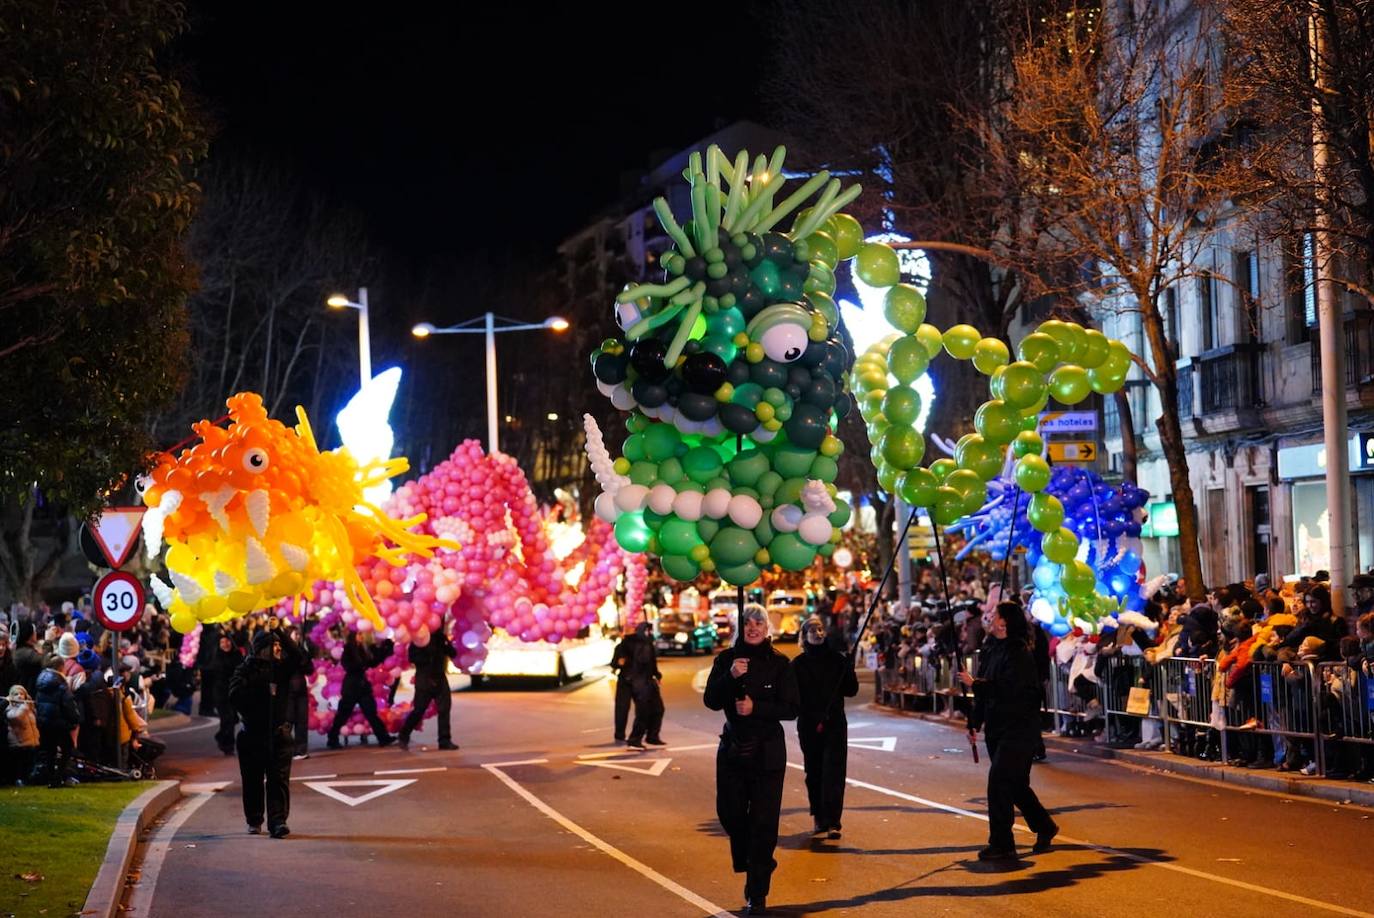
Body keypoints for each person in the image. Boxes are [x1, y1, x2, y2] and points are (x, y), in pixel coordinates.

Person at [704, 606, 800, 915]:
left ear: (767, 627)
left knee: (763, 823)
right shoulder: (725, 660)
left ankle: (757, 892)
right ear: (738, 626)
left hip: (767, 753)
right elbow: (711, 700)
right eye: (747, 622)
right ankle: (757, 860)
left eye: (759, 622)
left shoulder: (780, 664)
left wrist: (756, 707)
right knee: (730, 814)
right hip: (733, 749)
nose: (753, 627)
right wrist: (731, 677)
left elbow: (790, 708)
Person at [958, 601, 1058, 861]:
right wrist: (974, 722)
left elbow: (1009, 688)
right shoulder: (991, 649)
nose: (990, 619)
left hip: (1019, 729)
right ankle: (1045, 826)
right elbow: (985, 695)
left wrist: (976, 683)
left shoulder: (1018, 653)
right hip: (997, 728)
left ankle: (1002, 843)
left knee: (999, 782)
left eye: (995, 615)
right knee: (1015, 786)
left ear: (1004, 623)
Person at [228, 629, 309, 837]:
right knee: (253, 780)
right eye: (274, 645)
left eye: (279, 645)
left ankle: (278, 821)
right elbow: (235, 696)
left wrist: (280, 633)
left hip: (279, 735)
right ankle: (254, 819)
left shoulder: (282, 669)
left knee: (278, 780)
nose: (278, 648)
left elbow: (299, 657)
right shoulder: (244, 670)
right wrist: (260, 680)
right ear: (263, 649)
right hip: (252, 735)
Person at [790, 616, 857, 839]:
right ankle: (819, 816)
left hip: (835, 723)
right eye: (812, 630)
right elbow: (793, 698)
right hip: (810, 725)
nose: (818, 633)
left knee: (834, 771)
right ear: (804, 635)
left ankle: (833, 819)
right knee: (815, 770)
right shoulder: (798, 665)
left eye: (820, 629)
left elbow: (850, 690)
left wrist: (849, 668)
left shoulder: (837, 660)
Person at [327, 631, 396, 749]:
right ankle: (332, 738)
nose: (361, 637)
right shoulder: (349, 649)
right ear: (353, 637)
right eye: (359, 635)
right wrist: (361, 665)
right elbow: (348, 666)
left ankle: (383, 737)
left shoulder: (363, 649)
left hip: (363, 686)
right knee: (343, 714)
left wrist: (385, 649)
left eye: (361, 634)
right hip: (351, 687)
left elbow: (372, 662)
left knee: (371, 712)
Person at [398, 621, 458, 751]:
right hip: (425, 678)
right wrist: (427, 657)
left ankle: (444, 740)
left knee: (444, 708)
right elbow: (412, 657)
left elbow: (452, 653)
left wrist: (446, 642)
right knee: (419, 710)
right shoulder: (420, 637)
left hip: (439, 677)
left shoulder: (440, 638)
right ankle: (403, 735)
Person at [34, 654, 82, 788]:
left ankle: (51, 778)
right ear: (62, 667)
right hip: (59, 722)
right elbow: (68, 703)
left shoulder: (41, 680)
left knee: (50, 750)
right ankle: (58, 776)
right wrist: (75, 719)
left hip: (44, 721)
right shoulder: (60, 683)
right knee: (67, 748)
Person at [622, 621, 665, 750]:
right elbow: (643, 661)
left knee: (658, 709)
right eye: (649, 631)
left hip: (648, 681)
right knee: (643, 711)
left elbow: (651, 664)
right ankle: (634, 739)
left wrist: (656, 674)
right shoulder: (639, 644)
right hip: (640, 683)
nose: (651, 633)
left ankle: (652, 736)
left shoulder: (647, 644)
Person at [285, 624, 316, 758]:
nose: (298, 636)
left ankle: (301, 749)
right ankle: (286, 749)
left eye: (298, 634)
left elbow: (309, 669)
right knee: (288, 720)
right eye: (295, 634)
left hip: (301, 689)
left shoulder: (302, 650)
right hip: (287, 690)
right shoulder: (283, 651)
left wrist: (303, 658)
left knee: (302, 720)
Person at [211, 632, 242, 755]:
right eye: (222, 642)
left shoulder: (237, 655)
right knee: (227, 718)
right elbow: (219, 671)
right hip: (221, 693)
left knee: (233, 719)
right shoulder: (217, 657)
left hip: (234, 692)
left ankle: (220, 736)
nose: (225, 644)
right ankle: (228, 745)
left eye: (227, 641)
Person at [6, 685, 39, 784]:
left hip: (31, 741)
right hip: (19, 742)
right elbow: (16, 717)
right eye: (16, 694)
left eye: (21, 694)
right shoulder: (10, 709)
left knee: (30, 762)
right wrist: (24, 707)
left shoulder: (29, 708)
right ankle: (19, 780)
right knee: (20, 763)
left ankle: (30, 779)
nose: (19, 696)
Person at [609, 628, 635, 742]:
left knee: (641, 709)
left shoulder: (639, 646)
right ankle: (621, 734)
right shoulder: (621, 647)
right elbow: (614, 663)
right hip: (627, 680)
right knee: (622, 708)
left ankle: (635, 735)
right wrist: (618, 663)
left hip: (634, 680)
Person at [14, 623, 43, 696]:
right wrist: (48, 641)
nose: (36, 633)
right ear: (29, 635)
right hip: (27, 694)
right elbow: (47, 662)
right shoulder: (27, 654)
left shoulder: (20, 650)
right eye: (34, 631)